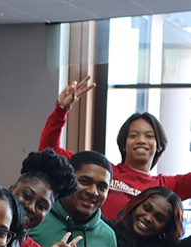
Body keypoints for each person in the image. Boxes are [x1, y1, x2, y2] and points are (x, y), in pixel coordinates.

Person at [38, 76, 191, 219]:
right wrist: (61, 110)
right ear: (123, 144)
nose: (141, 141)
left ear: (159, 145)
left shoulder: (166, 186)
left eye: (149, 136)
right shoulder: (101, 172)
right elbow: (49, 153)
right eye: (133, 135)